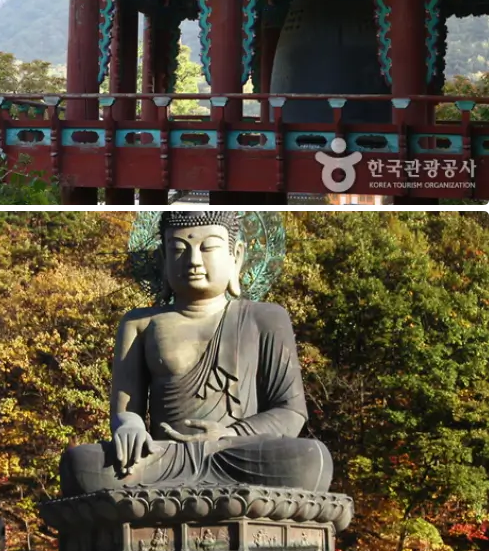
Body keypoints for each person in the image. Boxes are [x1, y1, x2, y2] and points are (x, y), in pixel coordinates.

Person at [60, 209, 333, 496]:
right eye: (178, 249)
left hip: (234, 454)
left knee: (310, 460)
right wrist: (130, 427)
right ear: (163, 260)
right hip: (165, 456)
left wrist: (231, 435)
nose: (193, 260)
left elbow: (290, 411)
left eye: (209, 247)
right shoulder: (139, 323)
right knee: (82, 463)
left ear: (235, 256)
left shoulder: (265, 317)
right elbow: (126, 411)